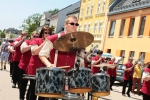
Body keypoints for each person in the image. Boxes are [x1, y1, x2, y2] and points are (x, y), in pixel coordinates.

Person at [39, 15, 84, 100]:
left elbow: (81, 61)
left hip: (71, 78)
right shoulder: (53, 38)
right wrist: (49, 64)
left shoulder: (79, 42)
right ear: (65, 25)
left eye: (76, 24)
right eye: (72, 24)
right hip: (55, 76)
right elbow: (42, 54)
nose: (75, 26)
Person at [26, 26, 53, 100]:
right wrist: (45, 43)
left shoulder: (51, 43)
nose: (47, 34)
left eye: (49, 33)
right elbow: (34, 52)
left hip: (45, 69)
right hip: (35, 68)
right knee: (33, 89)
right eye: (46, 33)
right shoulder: (36, 40)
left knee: (43, 91)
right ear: (42, 33)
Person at [18, 31, 39, 100]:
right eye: (34, 36)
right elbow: (22, 50)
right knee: (23, 84)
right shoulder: (26, 42)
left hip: (33, 67)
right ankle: (21, 97)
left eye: (37, 37)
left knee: (32, 85)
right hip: (24, 66)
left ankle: (28, 97)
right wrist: (32, 45)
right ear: (31, 36)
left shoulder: (39, 43)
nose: (36, 38)